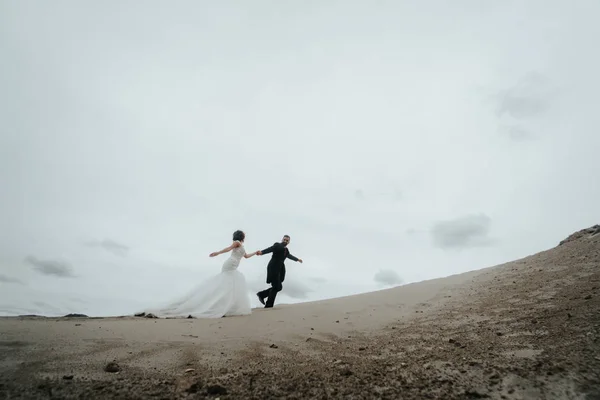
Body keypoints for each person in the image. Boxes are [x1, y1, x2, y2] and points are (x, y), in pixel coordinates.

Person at [143, 230, 258, 318]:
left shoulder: (241, 246)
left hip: (234, 265)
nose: (245, 236)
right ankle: (219, 306)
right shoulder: (237, 243)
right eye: (243, 234)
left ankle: (227, 306)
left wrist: (256, 253)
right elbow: (228, 249)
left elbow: (246, 256)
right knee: (227, 285)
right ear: (240, 236)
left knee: (230, 286)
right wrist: (217, 253)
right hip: (230, 264)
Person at [256, 235, 303, 308]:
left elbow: (289, 256)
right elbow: (270, 249)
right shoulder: (277, 245)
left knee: (278, 287)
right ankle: (268, 304)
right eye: (284, 239)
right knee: (277, 286)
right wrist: (261, 252)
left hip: (279, 269)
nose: (285, 241)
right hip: (273, 267)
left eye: (287, 240)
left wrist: (297, 259)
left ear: (289, 242)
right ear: (282, 239)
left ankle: (262, 295)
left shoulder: (286, 250)